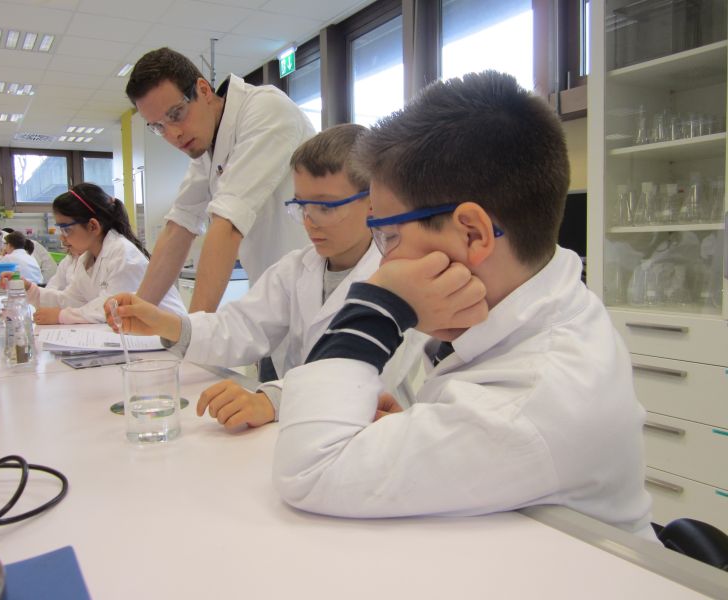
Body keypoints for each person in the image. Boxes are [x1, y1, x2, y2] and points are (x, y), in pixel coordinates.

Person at [271, 72, 654, 540]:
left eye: (388, 235)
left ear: (472, 234)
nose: (383, 262)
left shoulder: (531, 400)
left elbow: (308, 469)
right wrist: (422, 427)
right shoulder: (546, 298)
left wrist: (378, 304)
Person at [107, 124, 422, 430]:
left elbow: (365, 374)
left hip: (373, 436)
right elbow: (240, 327)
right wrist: (165, 324)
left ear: (373, 201)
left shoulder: (401, 276)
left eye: (325, 207)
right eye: (302, 205)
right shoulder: (296, 269)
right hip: (303, 429)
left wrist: (274, 399)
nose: (309, 222)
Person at [125, 47, 314, 315]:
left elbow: (228, 223)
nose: (173, 134)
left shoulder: (266, 109)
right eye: (158, 127)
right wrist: (137, 314)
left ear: (203, 90)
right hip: (275, 298)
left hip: (315, 293)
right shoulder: (208, 146)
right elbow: (179, 226)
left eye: (176, 114)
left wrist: (193, 331)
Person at [1, 183, 186, 325]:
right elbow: (71, 300)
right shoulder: (86, 259)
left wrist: (61, 316)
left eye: (66, 229)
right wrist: (30, 290)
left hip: (167, 339)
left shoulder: (123, 254)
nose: (62, 237)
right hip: (138, 337)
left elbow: (112, 308)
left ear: (93, 226)